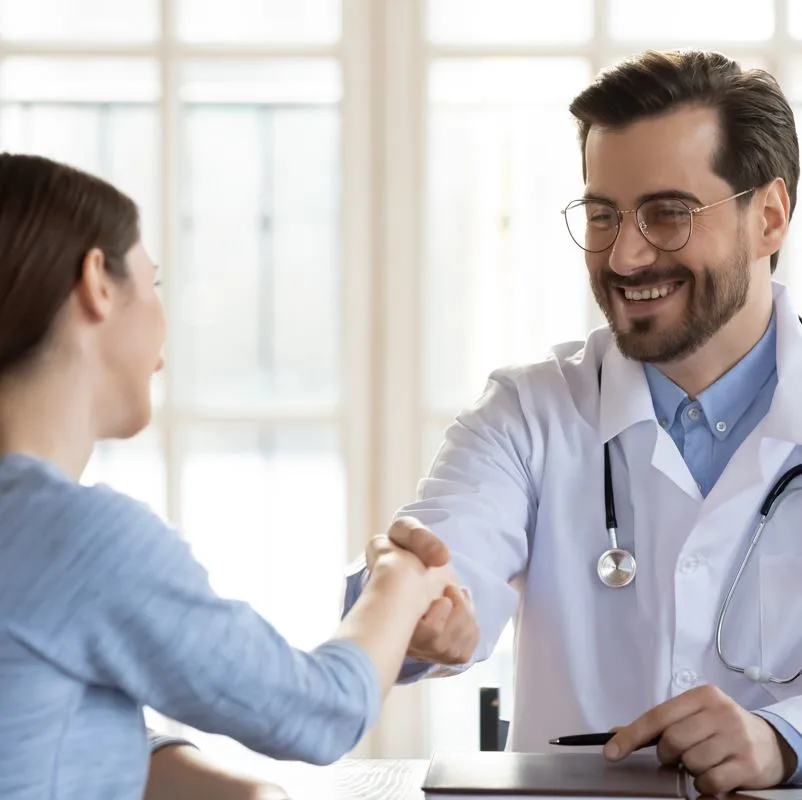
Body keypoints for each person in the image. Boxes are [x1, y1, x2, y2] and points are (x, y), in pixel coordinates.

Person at [344, 49, 802, 795]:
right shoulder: (528, 415)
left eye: (667, 214)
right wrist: (413, 608)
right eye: (602, 214)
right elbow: (439, 566)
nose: (624, 255)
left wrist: (781, 737)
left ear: (770, 217)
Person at [0, 152, 458, 800]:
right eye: (154, 284)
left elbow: (41, 708)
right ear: (97, 282)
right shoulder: (77, 536)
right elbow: (321, 711)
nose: (164, 320)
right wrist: (399, 577)